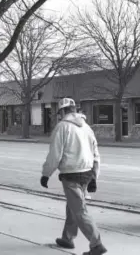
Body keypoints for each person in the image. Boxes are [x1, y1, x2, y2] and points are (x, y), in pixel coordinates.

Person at [40, 98, 106, 255]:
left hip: (71, 174)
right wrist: (94, 176)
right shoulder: (87, 128)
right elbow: (95, 153)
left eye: (59, 112)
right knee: (73, 206)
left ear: (63, 111)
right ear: (74, 110)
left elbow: (55, 155)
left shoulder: (62, 127)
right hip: (87, 173)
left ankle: (96, 245)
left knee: (79, 210)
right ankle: (67, 238)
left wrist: (46, 174)